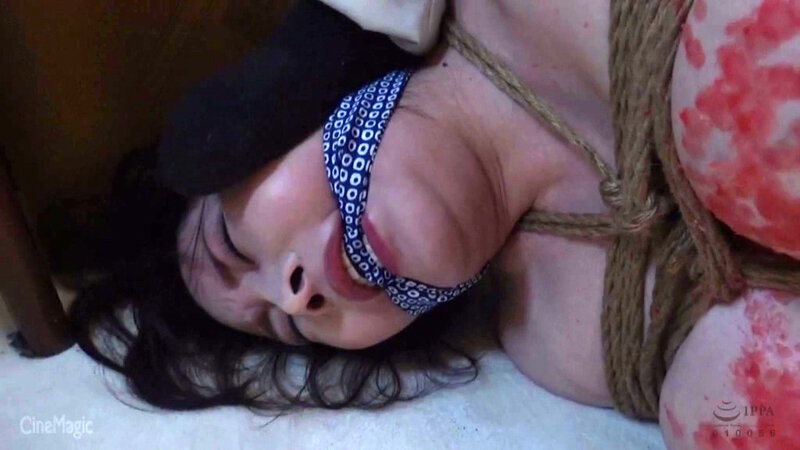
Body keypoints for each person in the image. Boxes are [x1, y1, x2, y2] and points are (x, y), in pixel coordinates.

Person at [69, 0, 799, 448]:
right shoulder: (563, 347)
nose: (296, 297)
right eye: (289, 329)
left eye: (235, 245)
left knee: (736, 105)